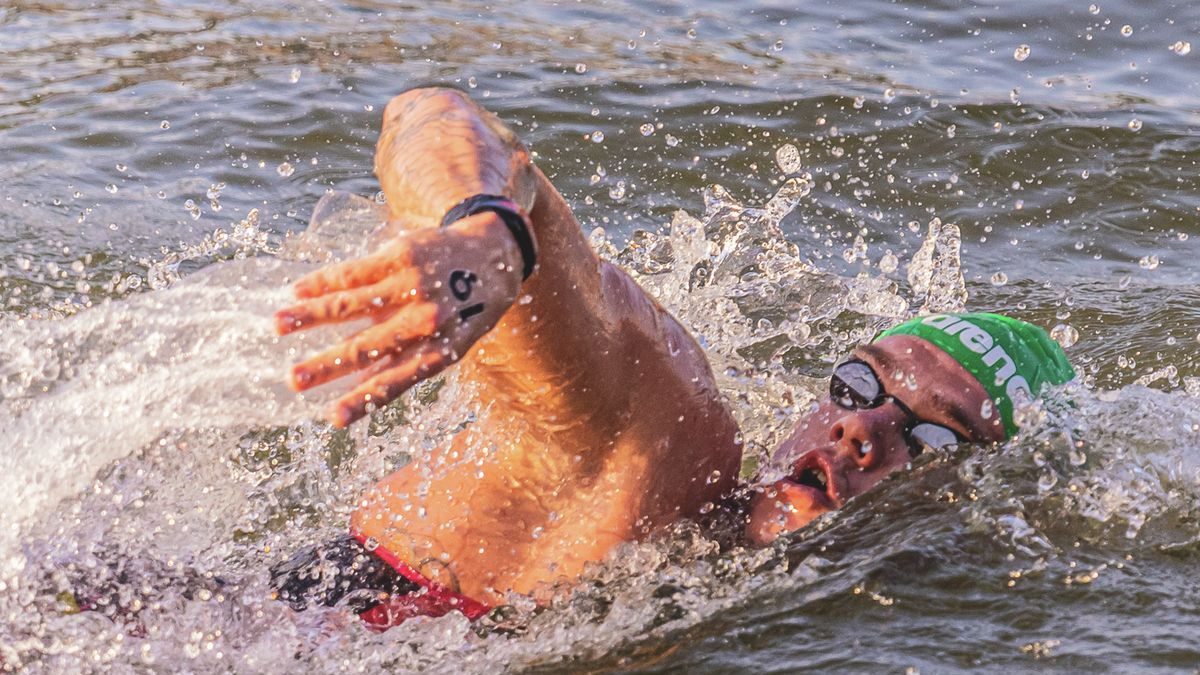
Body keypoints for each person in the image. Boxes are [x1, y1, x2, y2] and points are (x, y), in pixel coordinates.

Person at [269, 88, 1074, 628]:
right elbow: (437, 115)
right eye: (860, 383)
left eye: (935, 437)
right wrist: (490, 230)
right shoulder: (666, 439)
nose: (862, 427)